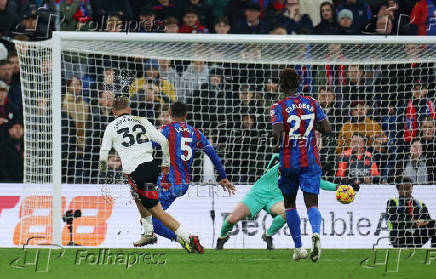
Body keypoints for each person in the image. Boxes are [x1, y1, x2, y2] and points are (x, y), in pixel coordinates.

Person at [99, 96, 205, 253]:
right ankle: (148, 233)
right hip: (151, 168)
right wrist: (165, 164)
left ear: (113, 112)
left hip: (138, 173)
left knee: (157, 212)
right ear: (129, 109)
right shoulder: (141, 120)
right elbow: (163, 141)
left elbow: (103, 153)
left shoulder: (111, 127)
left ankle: (188, 237)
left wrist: (102, 170)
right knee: (136, 194)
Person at [133, 101, 235, 250]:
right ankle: (182, 240)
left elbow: (147, 145)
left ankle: (185, 240)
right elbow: (213, 155)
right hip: (183, 184)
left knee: (150, 217)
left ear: (169, 113)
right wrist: (223, 177)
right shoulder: (196, 133)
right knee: (150, 217)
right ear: (186, 115)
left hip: (169, 184)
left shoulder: (167, 130)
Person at [216, 153, 344, 250]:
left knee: (287, 213)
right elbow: (272, 169)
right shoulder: (278, 157)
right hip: (258, 194)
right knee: (233, 219)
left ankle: (268, 235)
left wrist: (337, 187)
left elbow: (318, 182)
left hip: (277, 197)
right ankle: (222, 237)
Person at [271, 68, 332, 262]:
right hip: (310, 160)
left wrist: (275, 145)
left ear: (281, 85)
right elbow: (327, 129)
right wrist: (313, 127)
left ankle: (298, 248)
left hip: (289, 162)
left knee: (289, 204)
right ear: (299, 84)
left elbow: (277, 132)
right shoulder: (312, 102)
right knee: (312, 203)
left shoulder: (278, 106)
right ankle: (315, 234)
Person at [386, 177, 436, 248]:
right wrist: (414, 222)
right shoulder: (393, 202)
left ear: (411, 189)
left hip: (417, 235)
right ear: (398, 190)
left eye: (408, 188)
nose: (406, 191)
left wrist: (426, 221)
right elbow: (395, 220)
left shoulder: (420, 204)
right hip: (399, 236)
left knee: (434, 224)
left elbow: (427, 219)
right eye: (403, 188)